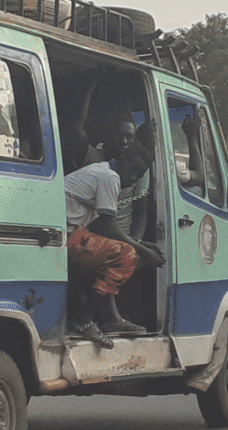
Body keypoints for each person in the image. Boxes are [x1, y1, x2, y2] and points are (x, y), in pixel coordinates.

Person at [64, 116, 166, 338]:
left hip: (69, 234)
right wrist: (142, 250)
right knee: (125, 256)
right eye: (134, 173)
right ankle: (82, 321)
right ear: (123, 162)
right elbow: (109, 228)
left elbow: (102, 227)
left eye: (138, 177)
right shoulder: (110, 178)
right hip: (64, 237)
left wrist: (142, 243)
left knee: (114, 252)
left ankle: (112, 319)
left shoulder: (102, 171)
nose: (133, 180)